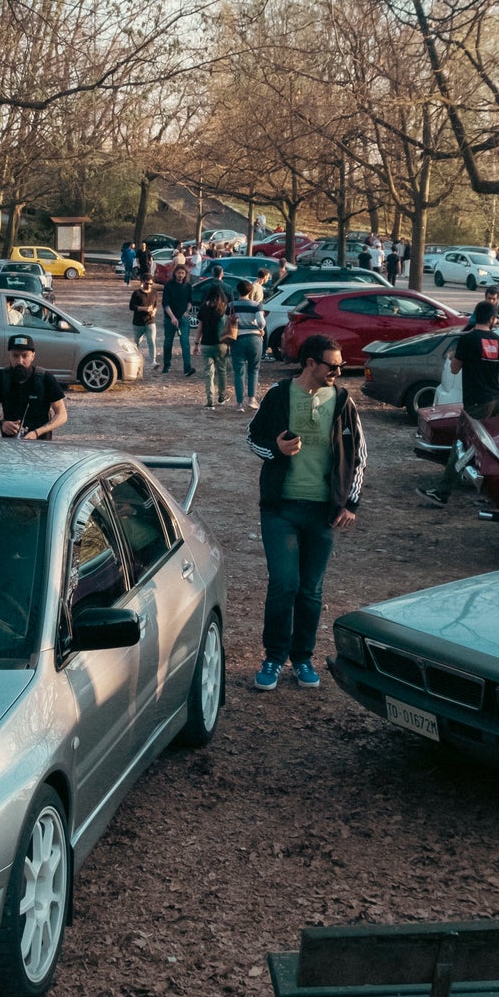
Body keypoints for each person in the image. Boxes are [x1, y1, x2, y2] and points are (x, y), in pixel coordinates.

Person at [247, 334, 365, 690]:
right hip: (280, 509)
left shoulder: (342, 400)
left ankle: (302, 658)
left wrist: (350, 503)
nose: (339, 372)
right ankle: (273, 657)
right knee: (284, 584)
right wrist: (276, 449)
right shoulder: (279, 394)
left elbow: (359, 454)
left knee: (310, 590)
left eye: (340, 366)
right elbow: (252, 439)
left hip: (322, 512)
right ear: (311, 363)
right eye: (333, 366)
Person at [419, 301, 499, 506]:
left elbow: (454, 369)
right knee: (491, 449)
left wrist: (453, 357)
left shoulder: (468, 340)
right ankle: (494, 497)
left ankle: (442, 493)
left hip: (476, 402)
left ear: (476, 316)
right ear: (493, 319)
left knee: (460, 445)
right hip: (496, 400)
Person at [0, 334, 68, 440]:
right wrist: (2, 423)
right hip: (10, 441)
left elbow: (62, 415)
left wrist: (37, 432)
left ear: (32, 356)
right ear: (9, 355)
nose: (20, 361)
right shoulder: (0, 378)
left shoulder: (45, 378)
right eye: (15, 356)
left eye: (25, 356)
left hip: (41, 442)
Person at [229, 280, 267, 410]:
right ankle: (251, 399)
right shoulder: (256, 305)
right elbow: (261, 322)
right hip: (254, 338)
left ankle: (239, 403)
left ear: (238, 291)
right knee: (253, 369)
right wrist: (260, 328)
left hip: (237, 338)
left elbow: (225, 322)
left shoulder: (231, 305)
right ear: (250, 291)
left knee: (239, 372)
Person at [197, 282, 233, 408]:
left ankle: (209, 400)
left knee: (208, 373)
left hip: (206, 344)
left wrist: (196, 343)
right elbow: (227, 327)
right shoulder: (224, 308)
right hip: (220, 343)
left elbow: (199, 328)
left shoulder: (203, 308)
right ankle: (222, 396)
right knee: (221, 371)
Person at [161, 265, 195, 374]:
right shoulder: (169, 286)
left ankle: (187, 368)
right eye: (179, 273)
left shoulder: (188, 286)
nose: (180, 275)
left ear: (185, 275)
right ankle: (166, 364)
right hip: (170, 319)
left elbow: (190, 301)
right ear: (175, 273)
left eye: (182, 273)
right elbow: (165, 304)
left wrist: (187, 311)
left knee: (185, 343)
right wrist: (172, 317)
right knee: (168, 343)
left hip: (183, 319)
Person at [128, 270, 161, 368]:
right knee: (137, 342)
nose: (149, 286)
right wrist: (143, 308)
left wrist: (154, 311)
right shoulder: (136, 293)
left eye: (151, 284)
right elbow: (131, 307)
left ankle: (153, 361)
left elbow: (155, 305)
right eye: (147, 283)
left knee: (151, 341)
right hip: (138, 322)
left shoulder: (154, 293)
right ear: (142, 282)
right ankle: (135, 359)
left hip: (150, 321)